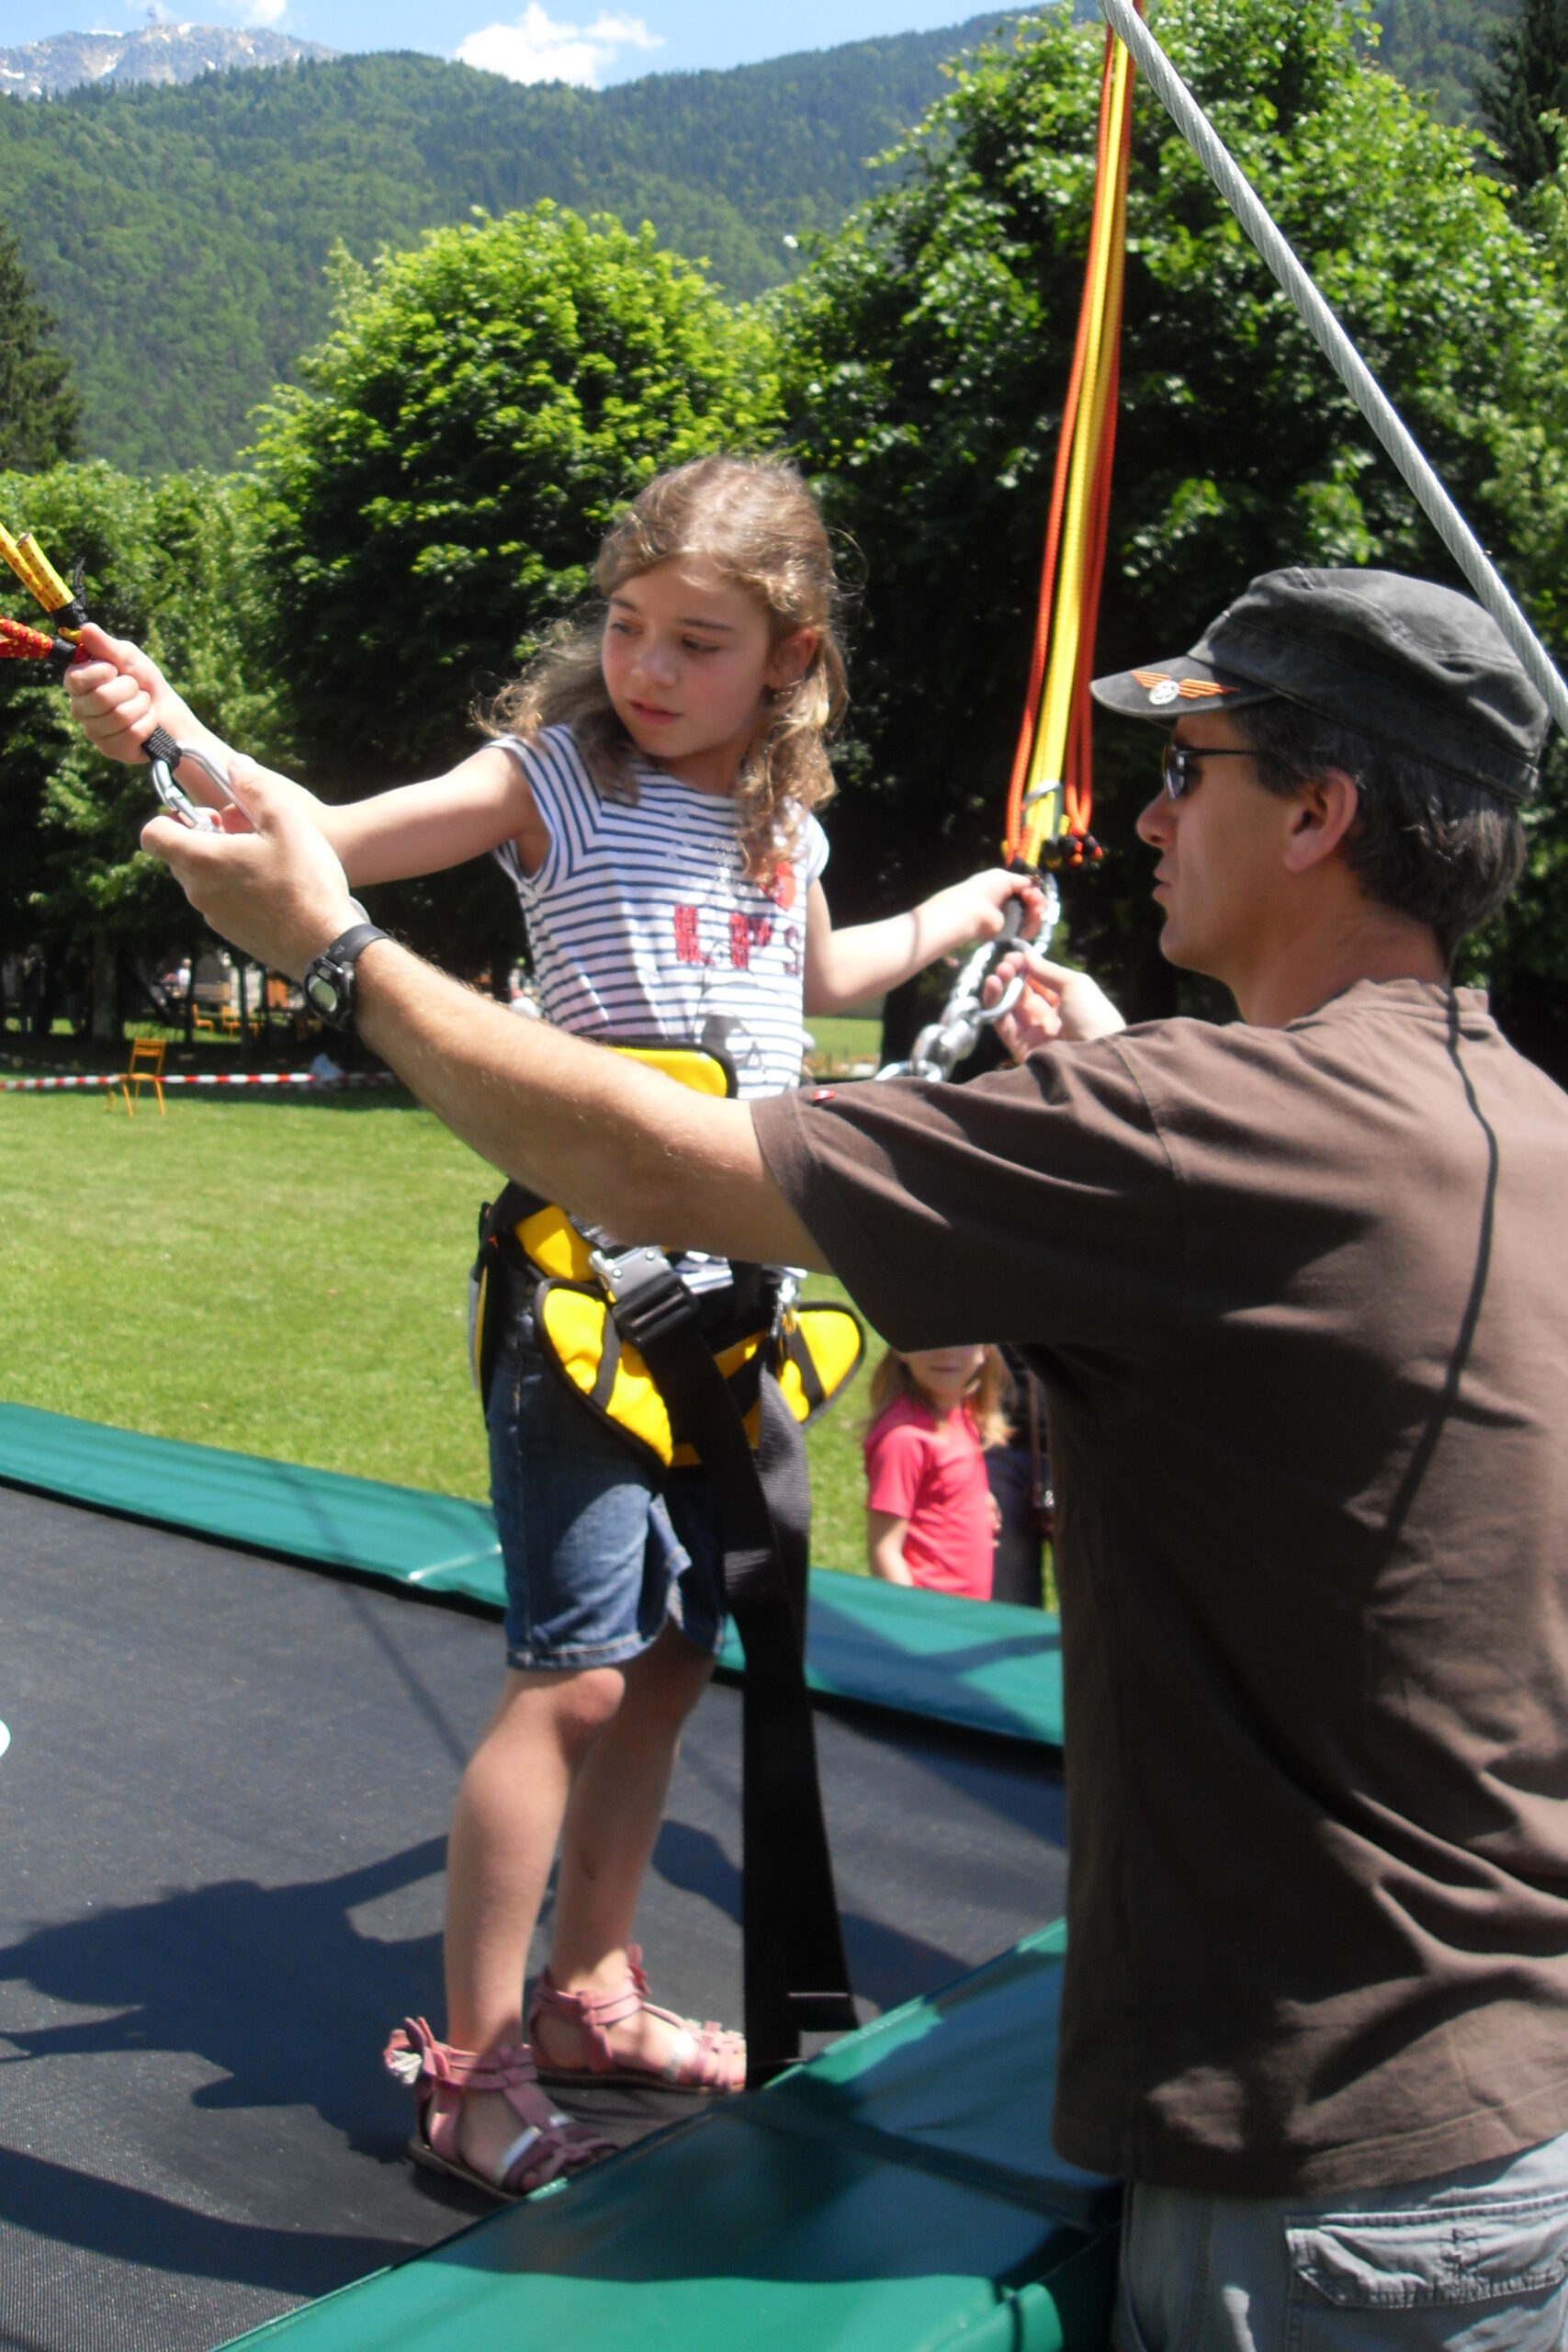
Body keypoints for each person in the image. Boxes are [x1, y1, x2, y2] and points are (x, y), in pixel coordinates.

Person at [131, 563, 1568, 2346]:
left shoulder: (1195, 1138)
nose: (1148, 809)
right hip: (1514, 2100)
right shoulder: (1515, 1118)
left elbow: (659, 1164)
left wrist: (340, 955)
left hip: (1322, 2174)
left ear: (1319, 814)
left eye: (1191, 766)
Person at [68, 453, 1041, 2202]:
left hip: (739, 1310)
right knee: (577, 1676)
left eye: (697, 642)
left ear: (789, 662)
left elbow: (822, 977)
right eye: (628, 627)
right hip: (591, 1300)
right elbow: (322, 841)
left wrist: (972, 911)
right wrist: (170, 728)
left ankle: (593, 1992)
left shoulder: (779, 827)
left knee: (676, 1661)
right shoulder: (550, 784)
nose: (649, 669)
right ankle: (473, 2063)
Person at [863, 1342, 1010, 1599]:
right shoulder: (905, 1439)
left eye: (959, 1340)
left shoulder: (958, 1413)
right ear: (901, 1347)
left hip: (964, 1614)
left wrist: (977, 1500)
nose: (944, 1353)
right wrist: (915, 1622)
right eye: (928, 1341)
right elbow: (884, 1550)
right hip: (932, 1619)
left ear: (984, 1349)